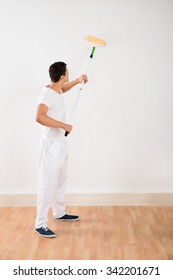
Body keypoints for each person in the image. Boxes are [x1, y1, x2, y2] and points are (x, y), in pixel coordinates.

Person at [35, 61, 88, 238]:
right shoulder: (46, 95)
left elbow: (62, 90)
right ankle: (40, 223)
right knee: (47, 183)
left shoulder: (56, 89)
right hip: (50, 146)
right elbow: (39, 117)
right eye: (68, 72)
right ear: (62, 76)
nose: (69, 74)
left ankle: (59, 212)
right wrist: (63, 125)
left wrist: (78, 80)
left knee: (61, 179)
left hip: (60, 144)